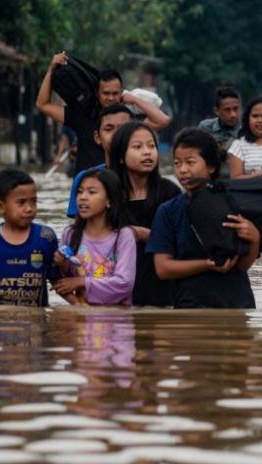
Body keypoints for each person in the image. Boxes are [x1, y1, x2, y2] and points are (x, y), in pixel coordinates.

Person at [147, 128, 260, 309]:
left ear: (211, 166)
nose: (182, 170)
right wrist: (206, 265)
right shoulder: (168, 211)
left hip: (237, 304)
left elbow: (243, 265)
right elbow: (163, 269)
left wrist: (255, 238)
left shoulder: (233, 202)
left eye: (190, 162)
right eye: (177, 163)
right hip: (190, 306)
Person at [36, 51, 171, 173]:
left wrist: (134, 100)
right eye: (106, 93)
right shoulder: (83, 116)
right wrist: (51, 70)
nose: (111, 98)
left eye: (115, 93)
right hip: (88, 189)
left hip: (118, 187)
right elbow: (43, 105)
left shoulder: (128, 120)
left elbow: (163, 121)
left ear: (121, 93)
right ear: (97, 94)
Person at [0, 169, 59, 307]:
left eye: (34, 201)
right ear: (0, 207)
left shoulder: (46, 238)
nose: (29, 208)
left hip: (36, 324)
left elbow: (57, 280)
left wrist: (79, 305)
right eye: (21, 203)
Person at [110, 121, 181, 306]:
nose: (147, 152)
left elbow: (182, 242)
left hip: (162, 289)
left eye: (151, 146)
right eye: (137, 147)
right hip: (118, 290)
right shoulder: (109, 195)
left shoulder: (170, 192)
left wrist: (146, 235)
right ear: (120, 157)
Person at [53, 169, 136, 305]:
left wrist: (82, 281)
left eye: (91, 192)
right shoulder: (70, 234)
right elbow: (61, 280)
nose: (83, 197)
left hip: (116, 319)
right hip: (80, 317)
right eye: (80, 191)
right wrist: (62, 264)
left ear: (109, 201)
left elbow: (125, 284)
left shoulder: (124, 236)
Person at [65, 104, 133, 218]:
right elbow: (79, 228)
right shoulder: (85, 178)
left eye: (123, 129)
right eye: (108, 129)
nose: (116, 135)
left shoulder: (144, 176)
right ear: (97, 137)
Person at [198, 85, 241, 179]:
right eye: (227, 110)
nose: (233, 114)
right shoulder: (205, 128)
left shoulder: (245, 131)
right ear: (216, 111)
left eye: (235, 109)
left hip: (236, 181)